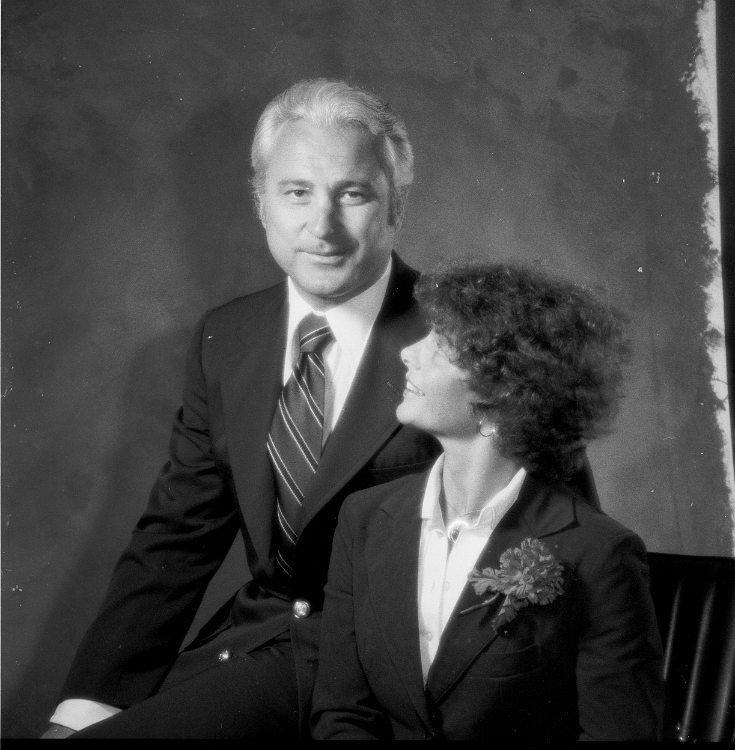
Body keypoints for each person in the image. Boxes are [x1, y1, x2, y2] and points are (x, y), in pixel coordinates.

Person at [42, 78, 445, 739]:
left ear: (396, 204)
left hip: (392, 674)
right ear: (261, 203)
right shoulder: (228, 337)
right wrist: (85, 708)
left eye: (353, 193)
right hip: (255, 647)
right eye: (296, 193)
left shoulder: (465, 336)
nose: (322, 226)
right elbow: (177, 538)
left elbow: (554, 543)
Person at [311, 264, 665, 741]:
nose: (408, 352)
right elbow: (341, 714)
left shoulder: (600, 554)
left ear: (503, 390)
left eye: (440, 346)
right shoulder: (365, 518)